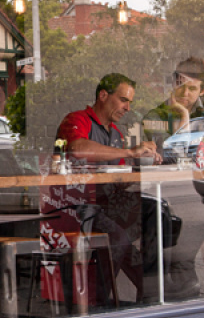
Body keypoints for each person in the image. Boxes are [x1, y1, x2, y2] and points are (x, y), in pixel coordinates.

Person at [44, 73, 156, 305]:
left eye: (130, 102)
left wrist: (145, 163)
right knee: (118, 237)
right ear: (103, 95)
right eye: (123, 100)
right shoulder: (77, 119)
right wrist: (130, 152)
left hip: (108, 203)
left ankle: (153, 290)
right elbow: (77, 149)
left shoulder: (116, 133)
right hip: (76, 206)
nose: (127, 108)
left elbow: (120, 177)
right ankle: (97, 302)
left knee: (158, 214)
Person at [143, 57, 204, 149]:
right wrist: (184, 116)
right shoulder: (154, 117)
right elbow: (172, 153)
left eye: (192, 88)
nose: (185, 93)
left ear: (203, 90)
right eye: (181, 86)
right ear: (173, 84)